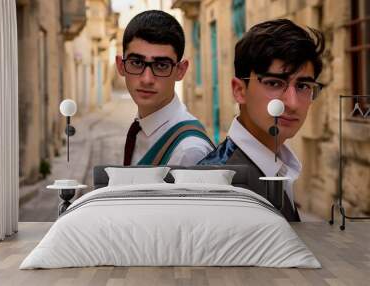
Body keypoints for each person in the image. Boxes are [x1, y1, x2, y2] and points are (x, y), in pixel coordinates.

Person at [199, 19, 325, 221]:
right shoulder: (215, 189)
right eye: (274, 83)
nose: (291, 103)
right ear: (240, 90)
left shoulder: (277, 165)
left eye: (303, 86)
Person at [116, 10, 214, 166]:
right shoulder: (141, 127)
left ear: (180, 70)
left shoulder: (189, 151)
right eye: (137, 63)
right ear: (121, 66)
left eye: (161, 65)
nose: (147, 79)